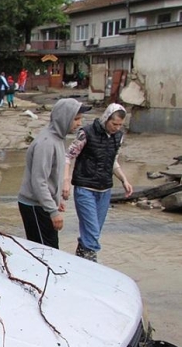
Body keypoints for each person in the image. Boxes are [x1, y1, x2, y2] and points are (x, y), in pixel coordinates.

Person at [62, 103, 133, 261]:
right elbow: (68, 156)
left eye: (120, 125)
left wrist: (124, 180)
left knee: (93, 231)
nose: (116, 128)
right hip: (85, 188)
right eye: (114, 124)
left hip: (105, 190)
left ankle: (81, 258)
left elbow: (113, 161)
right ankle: (91, 262)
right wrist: (65, 181)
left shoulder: (118, 137)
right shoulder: (86, 133)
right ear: (106, 118)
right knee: (92, 231)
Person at [18, 98, 91, 249]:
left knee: (50, 251)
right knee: (45, 253)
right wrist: (52, 210)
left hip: (42, 204)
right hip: (34, 205)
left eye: (80, 119)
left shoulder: (58, 138)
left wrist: (56, 201)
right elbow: (39, 181)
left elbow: (51, 176)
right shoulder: (46, 143)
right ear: (63, 118)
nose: (79, 123)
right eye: (76, 119)